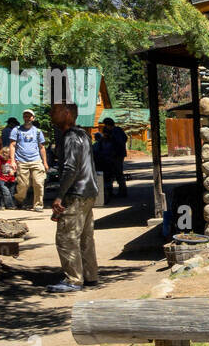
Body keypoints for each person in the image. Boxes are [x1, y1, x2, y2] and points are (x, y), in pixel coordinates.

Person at [48, 100, 99, 292]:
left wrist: (59, 196)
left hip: (75, 193)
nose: (52, 114)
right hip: (88, 191)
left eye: (56, 111)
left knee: (67, 238)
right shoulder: (84, 134)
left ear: (67, 113)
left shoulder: (69, 137)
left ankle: (73, 280)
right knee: (85, 238)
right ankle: (90, 276)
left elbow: (70, 168)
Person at [10, 108, 48, 211]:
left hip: (36, 160)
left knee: (39, 183)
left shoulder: (38, 131)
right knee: (23, 185)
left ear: (33, 118)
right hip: (22, 161)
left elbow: (42, 147)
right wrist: (12, 161)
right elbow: (12, 145)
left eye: (29, 116)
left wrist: (45, 162)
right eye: (25, 116)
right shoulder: (17, 130)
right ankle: (19, 199)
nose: (27, 118)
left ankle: (38, 205)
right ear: (23, 117)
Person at [101, 116, 128, 201]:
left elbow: (119, 141)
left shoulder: (116, 131)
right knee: (113, 172)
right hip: (115, 154)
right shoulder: (117, 130)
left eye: (106, 125)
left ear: (109, 124)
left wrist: (110, 137)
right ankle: (114, 191)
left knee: (118, 172)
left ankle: (122, 191)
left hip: (117, 154)